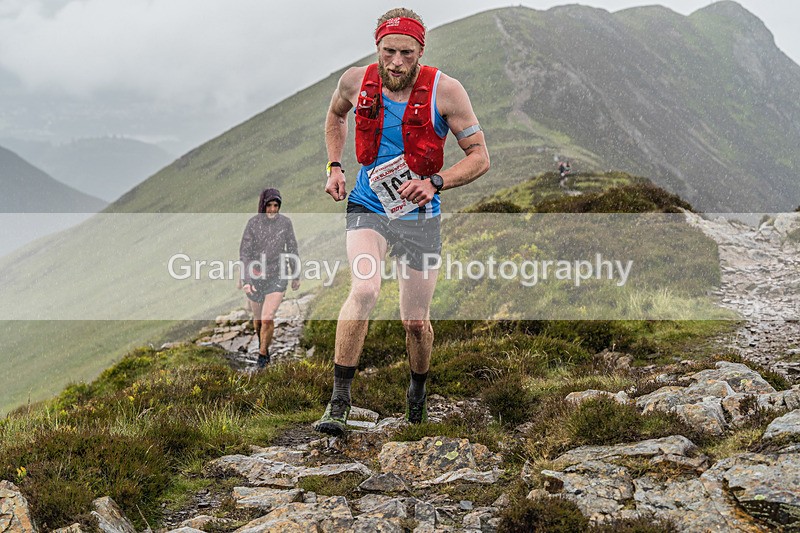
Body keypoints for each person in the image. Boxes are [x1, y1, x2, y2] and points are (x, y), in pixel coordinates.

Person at [315, 8, 490, 436]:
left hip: (419, 216)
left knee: (415, 322)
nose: (395, 62)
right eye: (388, 51)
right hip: (368, 204)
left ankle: (417, 395)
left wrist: (436, 182)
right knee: (365, 288)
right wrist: (334, 166)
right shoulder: (355, 81)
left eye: (406, 53)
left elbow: (481, 158)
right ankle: (338, 404)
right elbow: (336, 116)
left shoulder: (446, 92)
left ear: (420, 51)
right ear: (377, 46)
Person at [239, 188, 300, 368]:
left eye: (276, 205)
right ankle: (262, 343)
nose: (273, 209)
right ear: (263, 206)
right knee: (258, 321)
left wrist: (295, 275)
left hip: (278, 275)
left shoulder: (285, 223)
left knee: (267, 317)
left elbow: (292, 249)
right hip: (256, 277)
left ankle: (263, 355)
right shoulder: (253, 224)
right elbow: (245, 254)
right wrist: (247, 280)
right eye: (269, 205)